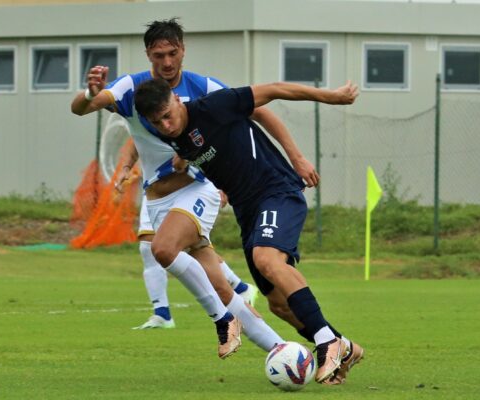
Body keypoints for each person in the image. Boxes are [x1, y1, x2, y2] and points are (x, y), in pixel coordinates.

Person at [71, 18, 284, 358]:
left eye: (172, 53)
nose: (167, 62)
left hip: (198, 189)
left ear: (183, 50)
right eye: (159, 55)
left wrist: (294, 159)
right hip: (157, 199)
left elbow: (253, 111)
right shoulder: (132, 88)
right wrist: (90, 94)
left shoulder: (203, 87)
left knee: (163, 250)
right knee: (218, 284)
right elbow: (82, 109)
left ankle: (221, 320)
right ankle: (281, 348)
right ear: (148, 55)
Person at [133, 77, 364, 384]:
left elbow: (274, 91)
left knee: (267, 259)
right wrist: (185, 161)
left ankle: (327, 342)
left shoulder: (213, 106)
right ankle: (346, 347)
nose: (165, 125)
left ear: (177, 99)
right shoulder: (177, 136)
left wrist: (330, 99)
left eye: (167, 115)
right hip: (248, 211)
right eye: (156, 122)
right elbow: (204, 149)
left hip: (276, 190)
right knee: (278, 304)